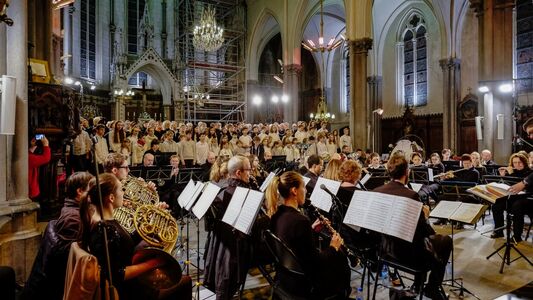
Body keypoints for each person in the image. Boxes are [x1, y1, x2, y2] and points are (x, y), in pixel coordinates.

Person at [78, 173, 179, 299]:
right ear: (111, 198)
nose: (124, 193)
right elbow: (117, 275)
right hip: (126, 291)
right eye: (121, 189)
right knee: (179, 283)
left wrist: (153, 217)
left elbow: (126, 241)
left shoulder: (102, 219)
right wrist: (153, 263)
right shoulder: (104, 229)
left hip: (128, 282)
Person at [373, 153, 452, 300]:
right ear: (407, 172)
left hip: (384, 251)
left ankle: (418, 284)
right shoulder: (410, 195)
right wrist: (426, 217)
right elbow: (423, 232)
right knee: (445, 241)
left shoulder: (377, 191)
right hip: (407, 256)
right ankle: (432, 287)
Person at [266, 171, 350, 299]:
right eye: (304, 187)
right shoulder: (300, 220)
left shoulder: (276, 215)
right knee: (341, 262)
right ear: (294, 191)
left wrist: (312, 230)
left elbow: (295, 243)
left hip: (287, 275)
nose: (306, 191)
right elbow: (315, 262)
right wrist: (333, 247)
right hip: (305, 283)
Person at [22, 172, 94, 300]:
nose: (94, 194)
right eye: (91, 190)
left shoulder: (72, 210)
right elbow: (75, 262)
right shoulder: (73, 219)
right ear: (80, 192)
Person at [203, 155, 254, 299]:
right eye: (249, 170)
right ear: (238, 173)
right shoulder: (244, 193)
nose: (251, 173)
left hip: (218, 248)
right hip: (234, 250)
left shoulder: (219, 187)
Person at [29, 135, 51, 200]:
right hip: (30, 191)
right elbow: (46, 158)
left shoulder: (27, 157)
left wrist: (32, 146)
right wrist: (46, 145)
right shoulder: (29, 158)